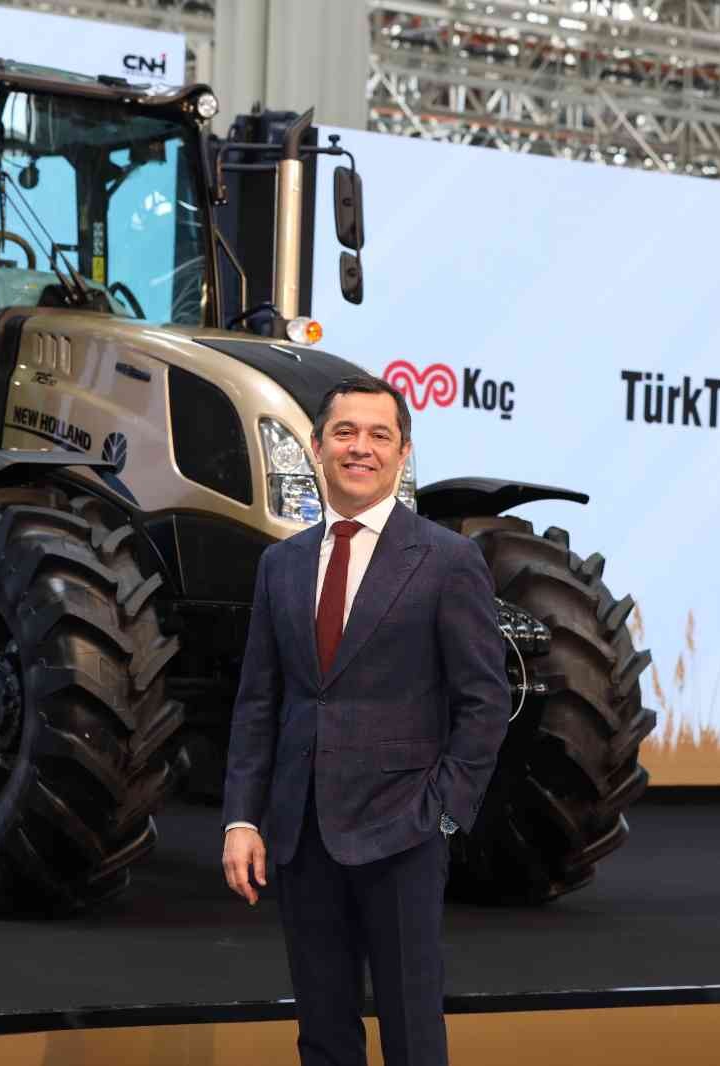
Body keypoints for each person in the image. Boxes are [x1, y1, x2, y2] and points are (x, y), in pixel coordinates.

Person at [221, 374, 511, 1066]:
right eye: (345, 432)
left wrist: (443, 813)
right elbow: (259, 702)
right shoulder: (280, 564)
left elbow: (485, 700)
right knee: (323, 1034)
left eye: (380, 435)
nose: (361, 448)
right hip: (300, 835)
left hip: (403, 833)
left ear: (403, 453)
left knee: (412, 1035)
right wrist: (242, 820)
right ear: (316, 446)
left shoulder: (448, 560)